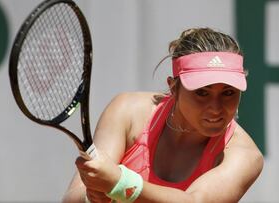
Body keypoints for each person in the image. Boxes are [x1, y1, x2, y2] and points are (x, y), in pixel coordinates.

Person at [62, 27, 264, 203]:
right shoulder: (127, 111)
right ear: (173, 88)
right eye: (202, 92)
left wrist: (120, 184)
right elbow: (74, 197)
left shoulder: (246, 156)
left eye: (228, 93)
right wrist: (91, 198)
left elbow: (196, 201)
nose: (216, 108)